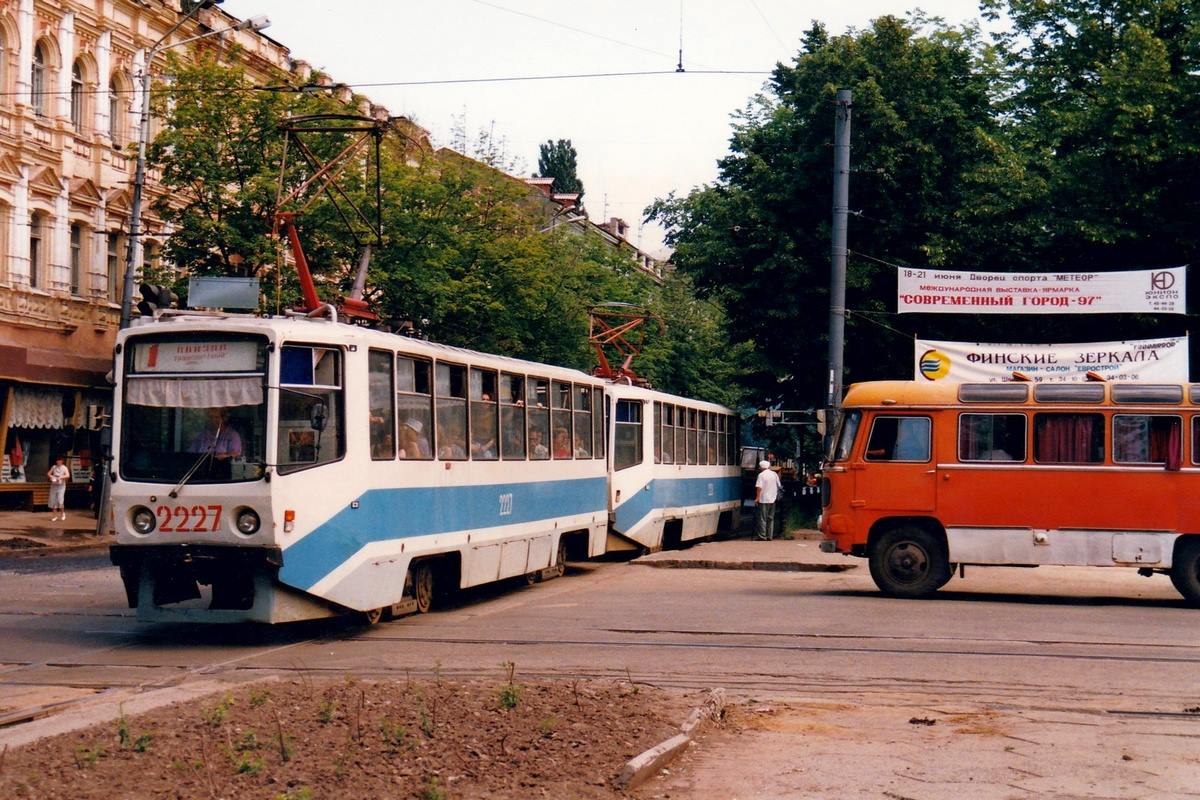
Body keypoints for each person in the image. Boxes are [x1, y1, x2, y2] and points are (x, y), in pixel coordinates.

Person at [754, 460, 782, 541]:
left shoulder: (761, 475)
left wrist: (757, 498)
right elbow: (779, 485)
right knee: (770, 518)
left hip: (763, 499)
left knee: (762, 518)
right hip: (773, 499)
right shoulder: (774, 474)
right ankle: (770, 536)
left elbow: (759, 487)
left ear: (762, 467)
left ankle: (762, 536)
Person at [47, 456, 70, 521]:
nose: (58, 462)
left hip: (61, 486)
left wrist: (61, 477)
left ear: (62, 461)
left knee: (60, 500)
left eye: (60, 461)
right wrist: (52, 476)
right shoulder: (54, 467)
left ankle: (62, 513)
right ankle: (54, 516)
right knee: (53, 500)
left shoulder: (64, 467)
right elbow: (48, 473)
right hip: (54, 485)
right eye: (57, 461)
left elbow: (68, 475)